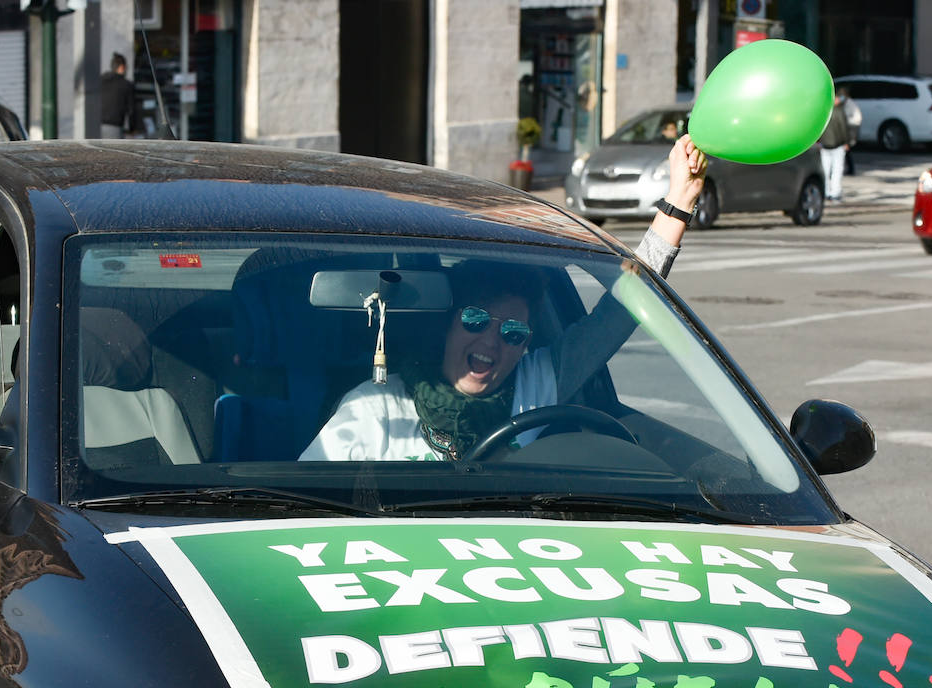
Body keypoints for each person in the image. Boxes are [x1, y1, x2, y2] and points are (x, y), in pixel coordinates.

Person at [301, 135, 708, 462]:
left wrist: (679, 203)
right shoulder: (376, 409)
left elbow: (620, 313)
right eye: (476, 320)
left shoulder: (535, 384)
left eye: (513, 332)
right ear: (447, 325)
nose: (492, 342)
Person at [818, 93, 851, 203]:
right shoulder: (838, 111)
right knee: (837, 170)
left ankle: (826, 191)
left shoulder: (823, 111)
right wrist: (846, 142)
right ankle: (835, 192)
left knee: (825, 169)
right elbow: (843, 128)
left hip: (824, 145)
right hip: (837, 145)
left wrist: (819, 141)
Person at [100, 52, 136, 138]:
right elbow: (131, 110)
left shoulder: (100, 80)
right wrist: (132, 129)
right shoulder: (126, 85)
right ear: (122, 67)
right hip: (114, 128)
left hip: (95, 126)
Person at [839, 89, 862, 175]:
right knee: (846, 150)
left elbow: (847, 117)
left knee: (847, 149)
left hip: (851, 127)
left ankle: (850, 169)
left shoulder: (849, 104)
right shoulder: (848, 103)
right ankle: (850, 169)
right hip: (851, 127)